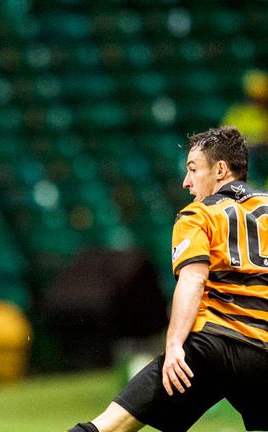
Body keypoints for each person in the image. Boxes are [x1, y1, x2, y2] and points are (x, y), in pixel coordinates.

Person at [68, 126, 268, 432]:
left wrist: (174, 344)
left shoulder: (197, 214)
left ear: (220, 170)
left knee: (109, 426)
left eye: (192, 170)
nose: (186, 182)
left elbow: (193, 280)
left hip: (208, 346)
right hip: (263, 351)